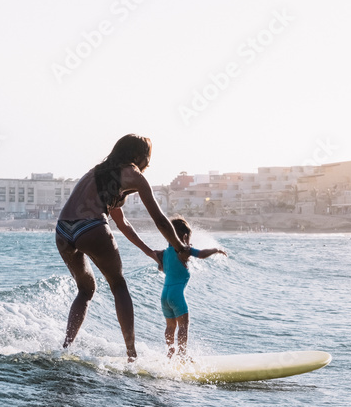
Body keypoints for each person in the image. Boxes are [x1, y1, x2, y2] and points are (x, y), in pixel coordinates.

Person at [56, 135, 188, 361]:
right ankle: (131, 355)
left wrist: (151, 253)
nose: (148, 164)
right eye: (148, 158)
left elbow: (122, 223)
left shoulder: (99, 173)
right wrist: (179, 248)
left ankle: (65, 348)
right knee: (119, 285)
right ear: (137, 157)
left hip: (62, 232)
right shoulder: (134, 175)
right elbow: (160, 219)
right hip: (90, 227)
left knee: (86, 290)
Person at [159, 217, 226, 360]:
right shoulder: (184, 250)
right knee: (183, 326)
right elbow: (201, 254)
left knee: (170, 327)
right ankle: (182, 355)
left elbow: (162, 267)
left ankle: (170, 354)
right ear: (184, 236)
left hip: (164, 295)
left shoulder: (164, 253)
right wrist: (216, 249)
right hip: (177, 296)